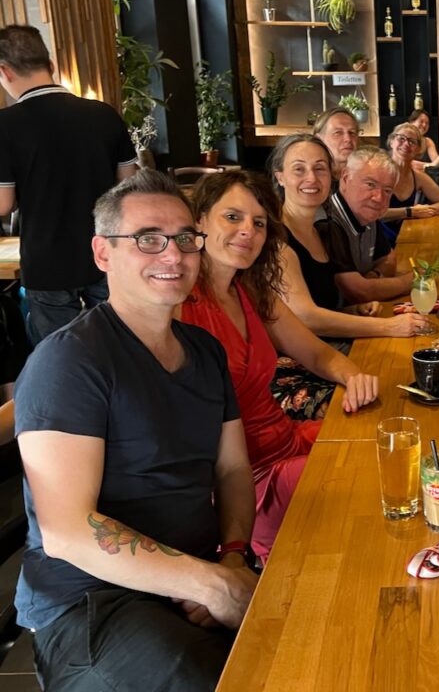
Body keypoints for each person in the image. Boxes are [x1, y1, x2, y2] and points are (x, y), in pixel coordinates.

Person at [14, 170, 258, 689]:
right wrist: (211, 584)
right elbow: (67, 532)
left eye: (186, 239)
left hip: (193, 578)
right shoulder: (69, 361)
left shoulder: (204, 351)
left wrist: (233, 558)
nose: (174, 255)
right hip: (91, 604)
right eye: (148, 239)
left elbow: (233, 469)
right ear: (103, 252)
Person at [182, 170, 378, 562]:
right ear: (199, 221)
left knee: (389, 441)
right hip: (247, 483)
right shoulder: (179, 303)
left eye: (259, 223)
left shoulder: (251, 290)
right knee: (367, 484)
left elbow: (319, 355)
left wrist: (354, 375)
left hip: (288, 443)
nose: (248, 231)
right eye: (232, 217)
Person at [0, 24, 138, 344]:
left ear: (4, 71)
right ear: (50, 65)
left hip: (46, 262)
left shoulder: (5, 125)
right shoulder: (103, 115)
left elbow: (3, 204)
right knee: (117, 342)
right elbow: (128, 187)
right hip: (105, 252)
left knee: (61, 353)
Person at [270, 135, 428, 336]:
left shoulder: (319, 231)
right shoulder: (275, 236)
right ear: (280, 177)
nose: (312, 178)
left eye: (320, 169)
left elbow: (322, 307)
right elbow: (306, 318)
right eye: (299, 169)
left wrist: (352, 311)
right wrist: (390, 326)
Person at [318, 145, 429, 306]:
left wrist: (372, 277)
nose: (379, 198)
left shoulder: (366, 214)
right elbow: (358, 293)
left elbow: (389, 259)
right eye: (370, 184)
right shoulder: (328, 222)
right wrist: (413, 280)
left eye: (387, 190)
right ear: (345, 178)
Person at [380, 122, 439, 243]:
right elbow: (373, 213)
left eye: (412, 142)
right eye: (401, 138)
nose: (406, 144)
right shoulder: (378, 173)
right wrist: (410, 212)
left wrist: (423, 210)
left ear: (418, 150)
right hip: (379, 242)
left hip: (407, 237)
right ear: (392, 142)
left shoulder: (418, 177)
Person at [313, 107, 360, 183]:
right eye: (338, 133)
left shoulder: (367, 175)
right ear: (319, 139)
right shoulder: (312, 179)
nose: (348, 139)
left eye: (352, 132)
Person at [407, 109, 439, 173]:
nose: (424, 125)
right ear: (412, 122)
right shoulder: (404, 140)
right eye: (421, 121)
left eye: (427, 123)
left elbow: (437, 164)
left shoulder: (428, 142)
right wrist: (429, 165)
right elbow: (406, 163)